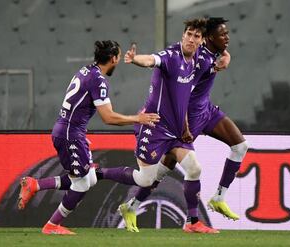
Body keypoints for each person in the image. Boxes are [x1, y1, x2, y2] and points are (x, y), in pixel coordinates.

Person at [17, 40, 160, 235]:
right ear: (113, 58)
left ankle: (35, 184)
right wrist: (138, 118)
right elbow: (108, 117)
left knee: (89, 178)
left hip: (69, 131)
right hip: (70, 134)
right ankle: (52, 225)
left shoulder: (86, 70)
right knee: (82, 183)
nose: (118, 61)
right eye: (118, 57)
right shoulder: (99, 81)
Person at [119, 17, 248, 233]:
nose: (227, 38)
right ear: (209, 39)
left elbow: (219, 53)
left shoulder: (209, 53)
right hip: (187, 117)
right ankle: (139, 207)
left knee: (240, 146)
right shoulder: (196, 60)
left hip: (206, 110)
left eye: (226, 34)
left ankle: (218, 198)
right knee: (165, 169)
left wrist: (226, 55)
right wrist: (185, 127)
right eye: (222, 35)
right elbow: (181, 94)